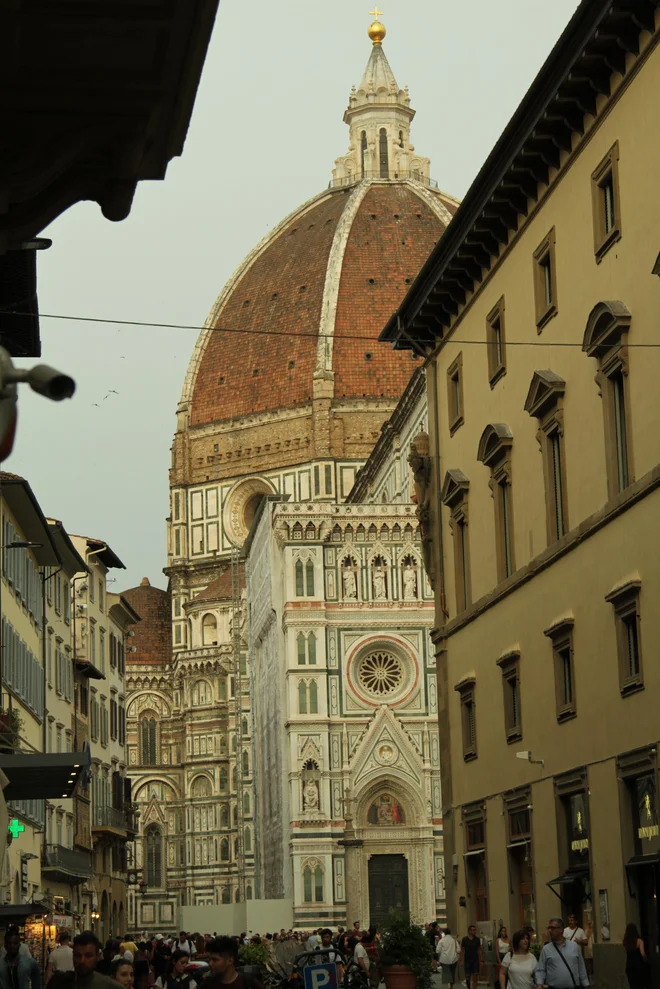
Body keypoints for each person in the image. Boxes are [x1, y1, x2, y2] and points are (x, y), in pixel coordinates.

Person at [534, 918, 589, 989]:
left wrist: (586, 985)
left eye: (552, 928)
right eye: (549, 928)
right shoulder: (546, 949)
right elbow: (541, 969)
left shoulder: (574, 946)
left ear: (561, 929)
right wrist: (539, 985)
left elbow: (581, 967)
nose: (550, 931)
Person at [622, 923, 649, 989]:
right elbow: (642, 954)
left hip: (629, 966)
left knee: (633, 986)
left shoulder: (625, 942)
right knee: (640, 986)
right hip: (638, 966)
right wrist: (646, 960)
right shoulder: (639, 941)